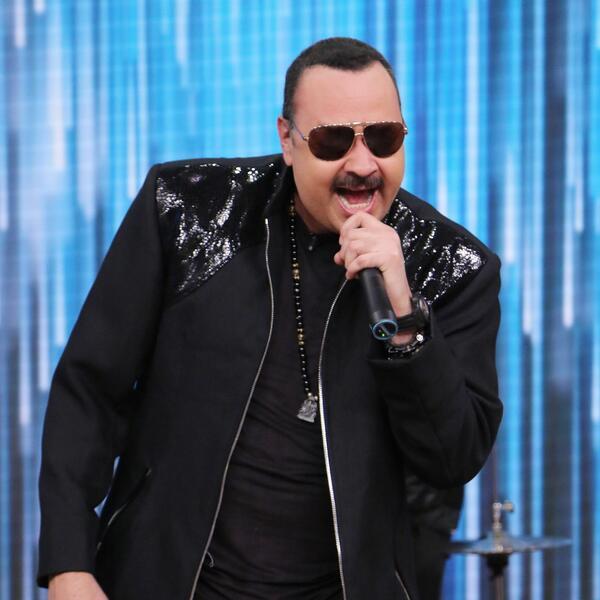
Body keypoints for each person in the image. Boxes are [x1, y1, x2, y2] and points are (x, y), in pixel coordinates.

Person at [38, 37, 502, 600]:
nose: (363, 165)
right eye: (333, 141)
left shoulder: (453, 266)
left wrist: (406, 319)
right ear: (287, 139)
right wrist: (68, 562)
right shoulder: (186, 208)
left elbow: (452, 457)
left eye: (383, 138)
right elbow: (90, 390)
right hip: (171, 580)